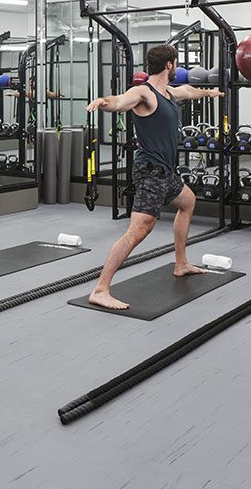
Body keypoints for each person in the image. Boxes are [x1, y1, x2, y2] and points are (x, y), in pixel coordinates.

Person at [85, 44, 224, 310]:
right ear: (170, 65)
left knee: (188, 202)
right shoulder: (144, 93)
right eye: (176, 64)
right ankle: (100, 289)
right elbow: (119, 102)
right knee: (139, 229)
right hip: (150, 171)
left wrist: (210, 92)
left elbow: (190, 91)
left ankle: (181, 263)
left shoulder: (169, 92)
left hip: (166, 171)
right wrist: (104, 102)